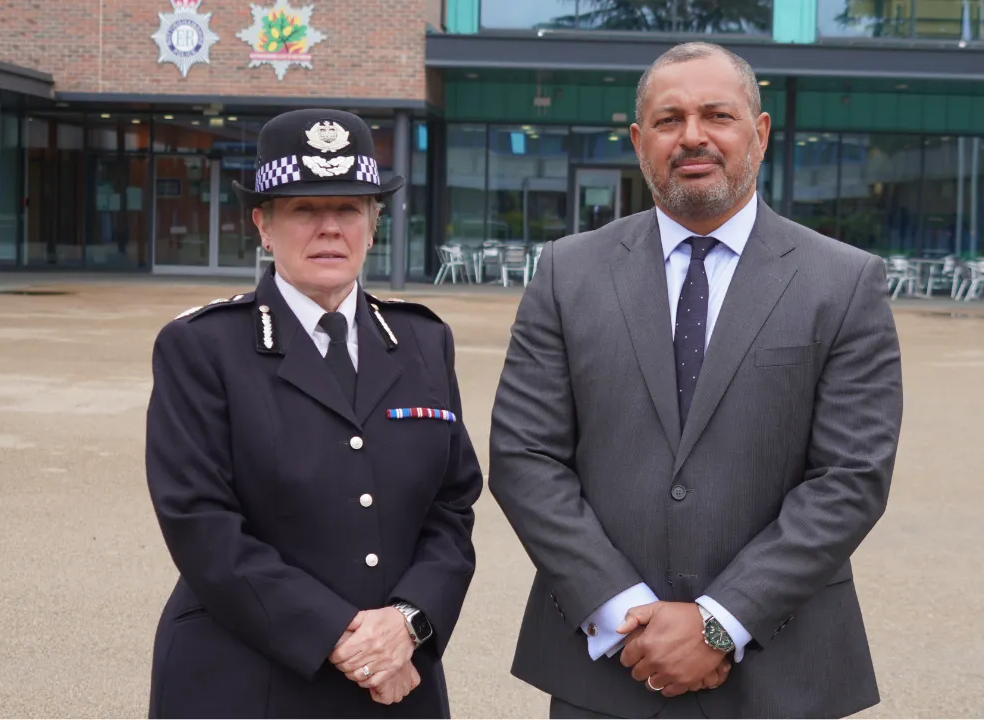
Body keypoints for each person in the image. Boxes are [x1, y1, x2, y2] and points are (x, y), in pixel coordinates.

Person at [488, 42, 904, 719]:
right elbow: (524, 457)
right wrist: (627, 613)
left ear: (760, 132)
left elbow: (851, 476)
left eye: (718, 114)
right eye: (668, 119)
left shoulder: (844, 282)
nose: (693, 137)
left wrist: (720, 621)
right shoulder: (568, 273)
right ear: (637, 140)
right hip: (610, 669)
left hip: (782, 672)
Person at [144, 108, 483, 718]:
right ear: (263, 226)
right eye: (304, 209)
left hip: (397, 680)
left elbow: (451, 508)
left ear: (373, 226)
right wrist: (344, 636)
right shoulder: (202, 347)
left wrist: (408, 623)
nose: (330, 227)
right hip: (244, 679)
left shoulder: (423, 342)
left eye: (350, 209)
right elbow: (200, 524)